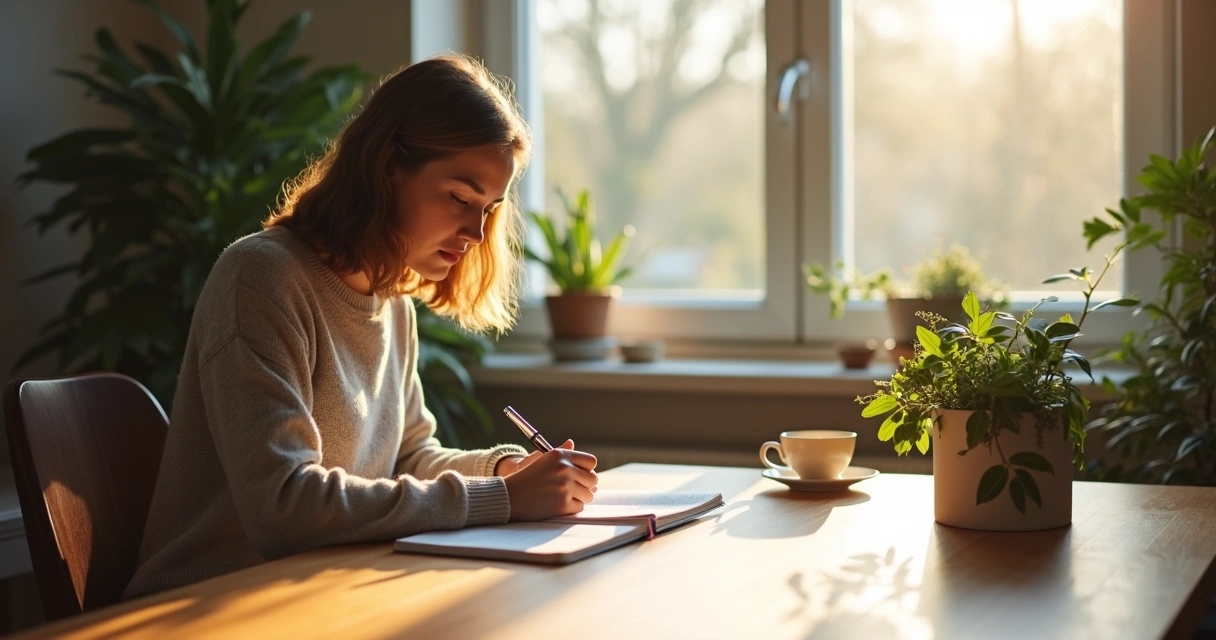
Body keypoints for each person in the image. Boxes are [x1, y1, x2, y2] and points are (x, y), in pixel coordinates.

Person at [124, 54, 598, 598]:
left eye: (488, 208)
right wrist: (505, 501)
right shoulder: (260, 277)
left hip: (316, 593)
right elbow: (283, 506)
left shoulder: (392, 298)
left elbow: (409, 459)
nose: (474, 230)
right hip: (207, 604)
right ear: (388, 167)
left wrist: (505, 471)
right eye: (459, 198)